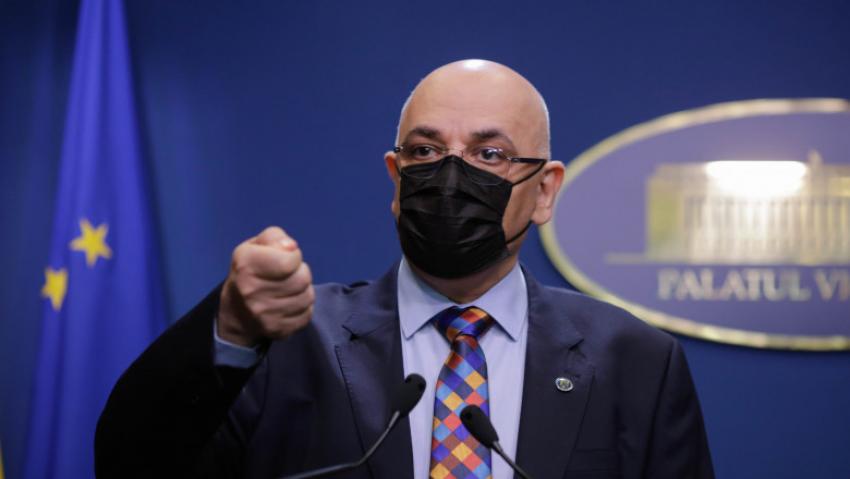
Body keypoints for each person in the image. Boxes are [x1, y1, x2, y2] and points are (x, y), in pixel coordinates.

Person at [96, 59, 714, 479]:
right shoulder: (289, 343)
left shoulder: (635, 362)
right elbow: (131, 462)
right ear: (396, 178)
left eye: (489, 153)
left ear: (545, 190)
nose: (451, 174)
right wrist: (231, 327)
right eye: (425, 150)